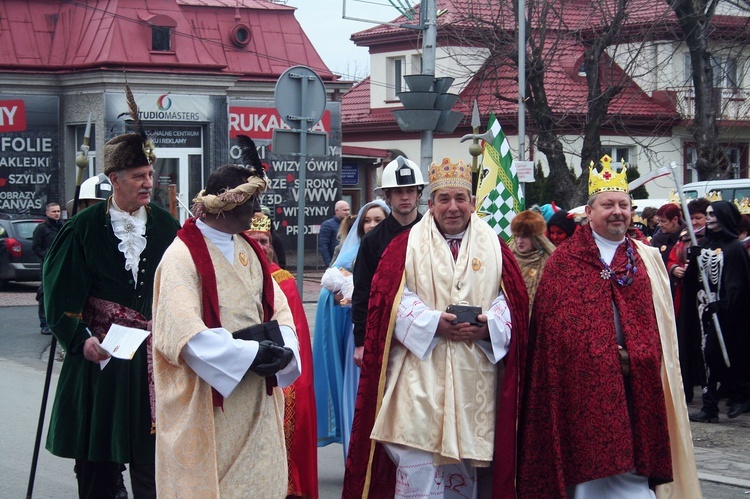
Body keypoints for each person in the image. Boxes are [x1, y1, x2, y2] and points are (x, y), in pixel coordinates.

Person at [343, 158, 529, 498]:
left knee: (468, 479)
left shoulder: (496, 246)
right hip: (419, 376)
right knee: (421, 471)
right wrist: (431, 323)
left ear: (473, 203)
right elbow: (386, 302)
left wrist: (489, 327)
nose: (453, 207)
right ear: (431, 204)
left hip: (476, 378)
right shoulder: (404, 245)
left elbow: (511, 301)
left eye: (461, 198)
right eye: (444, 199)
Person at [518, 155, 699, 497]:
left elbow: (658, 324)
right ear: (590, 211)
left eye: (623, 205)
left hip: (637, 382)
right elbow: (556, 331)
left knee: (634, 466)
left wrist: (639, 355)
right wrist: (599, 356)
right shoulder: (565, 261)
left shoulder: (645, 258)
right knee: (589, 474)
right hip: (580, 387)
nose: (617, 212)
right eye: (608, 205)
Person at [43, 125, 180, 498]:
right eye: (139, 176)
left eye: (150, 174)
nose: (148, 183)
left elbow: (182, 289)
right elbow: (58, 297)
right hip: (100, 359)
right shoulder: (82, 229)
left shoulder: (168, 227)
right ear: (114, 179)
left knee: (153, 460)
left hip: (151, 360)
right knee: (98, 463)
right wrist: (80, 339)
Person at [152, 159, 301, 497]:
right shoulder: (181, 257)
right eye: (251, 202)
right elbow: (183, 335)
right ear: (227, 203)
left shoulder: (248, 248)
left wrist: (283, 349)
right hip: (208, 401)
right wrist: (249, 354)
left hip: (256, 399)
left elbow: (280, 309)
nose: (256, 210)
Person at [246, 213, 318, 498]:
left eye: (264, 241)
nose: (260, 246)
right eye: (253, 241)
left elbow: (296, 333)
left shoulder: (283, 281)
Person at [313, 200, 389, 458]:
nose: (371, 225)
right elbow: (328, 294)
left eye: (378, 220)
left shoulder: (398, 251)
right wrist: (342, 295)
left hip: (392, 334)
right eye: (367, 220)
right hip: (356, 337)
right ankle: (355, 457)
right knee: (357, 397)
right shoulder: (349, 255)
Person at [350, 156, 425, 368]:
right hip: (388, 329)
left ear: (418, 193)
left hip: (429, 331)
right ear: (387, 195)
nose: (405, 197)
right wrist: (360, 341)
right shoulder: (373, 240)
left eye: (410, 191)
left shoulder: (433, 232)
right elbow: (362, 292)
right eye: (398, 192)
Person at [683, 200, 750, 423]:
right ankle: (710, 407)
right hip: (704, 310)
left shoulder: (735, 248)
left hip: (727, 315)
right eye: (708, 214)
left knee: (716, 355)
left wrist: (724, 304)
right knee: (706, 357)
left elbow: (738, 284)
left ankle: (738, 393)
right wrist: (694, 259)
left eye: (713, 214)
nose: (709, 218)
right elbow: (696, 280)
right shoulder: (705, 244)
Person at [509, 209, 556, 312]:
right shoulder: (508, 257)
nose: (519, 241)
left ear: (536, 237)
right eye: (517, 236)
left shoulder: (549, 260)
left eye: (524, 236)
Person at [32, 202, 62, 335]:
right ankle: (44, 323)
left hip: (62, 265)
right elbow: (36, 247)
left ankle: (59, 322)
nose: (57, 214)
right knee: (45, 293)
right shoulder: (42, 229)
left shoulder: (63, 226)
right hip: (48, 266)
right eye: (54, 211)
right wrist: (49, 257)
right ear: (47, 213)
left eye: (58, 211)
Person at [651, 202, 685, 267]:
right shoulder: (657, 238)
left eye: (663, 221)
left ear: (675, 219)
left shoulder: (687, 237)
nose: (660, 225)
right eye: (659, 221)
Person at [319, 199, 350, 267]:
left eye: (348, 210)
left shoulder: (351, 224)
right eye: (345, 210)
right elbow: (323, 246)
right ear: (336, 211)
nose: (347, 212)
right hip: (335, 262)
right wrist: (329, 264)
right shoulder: (327, 225)